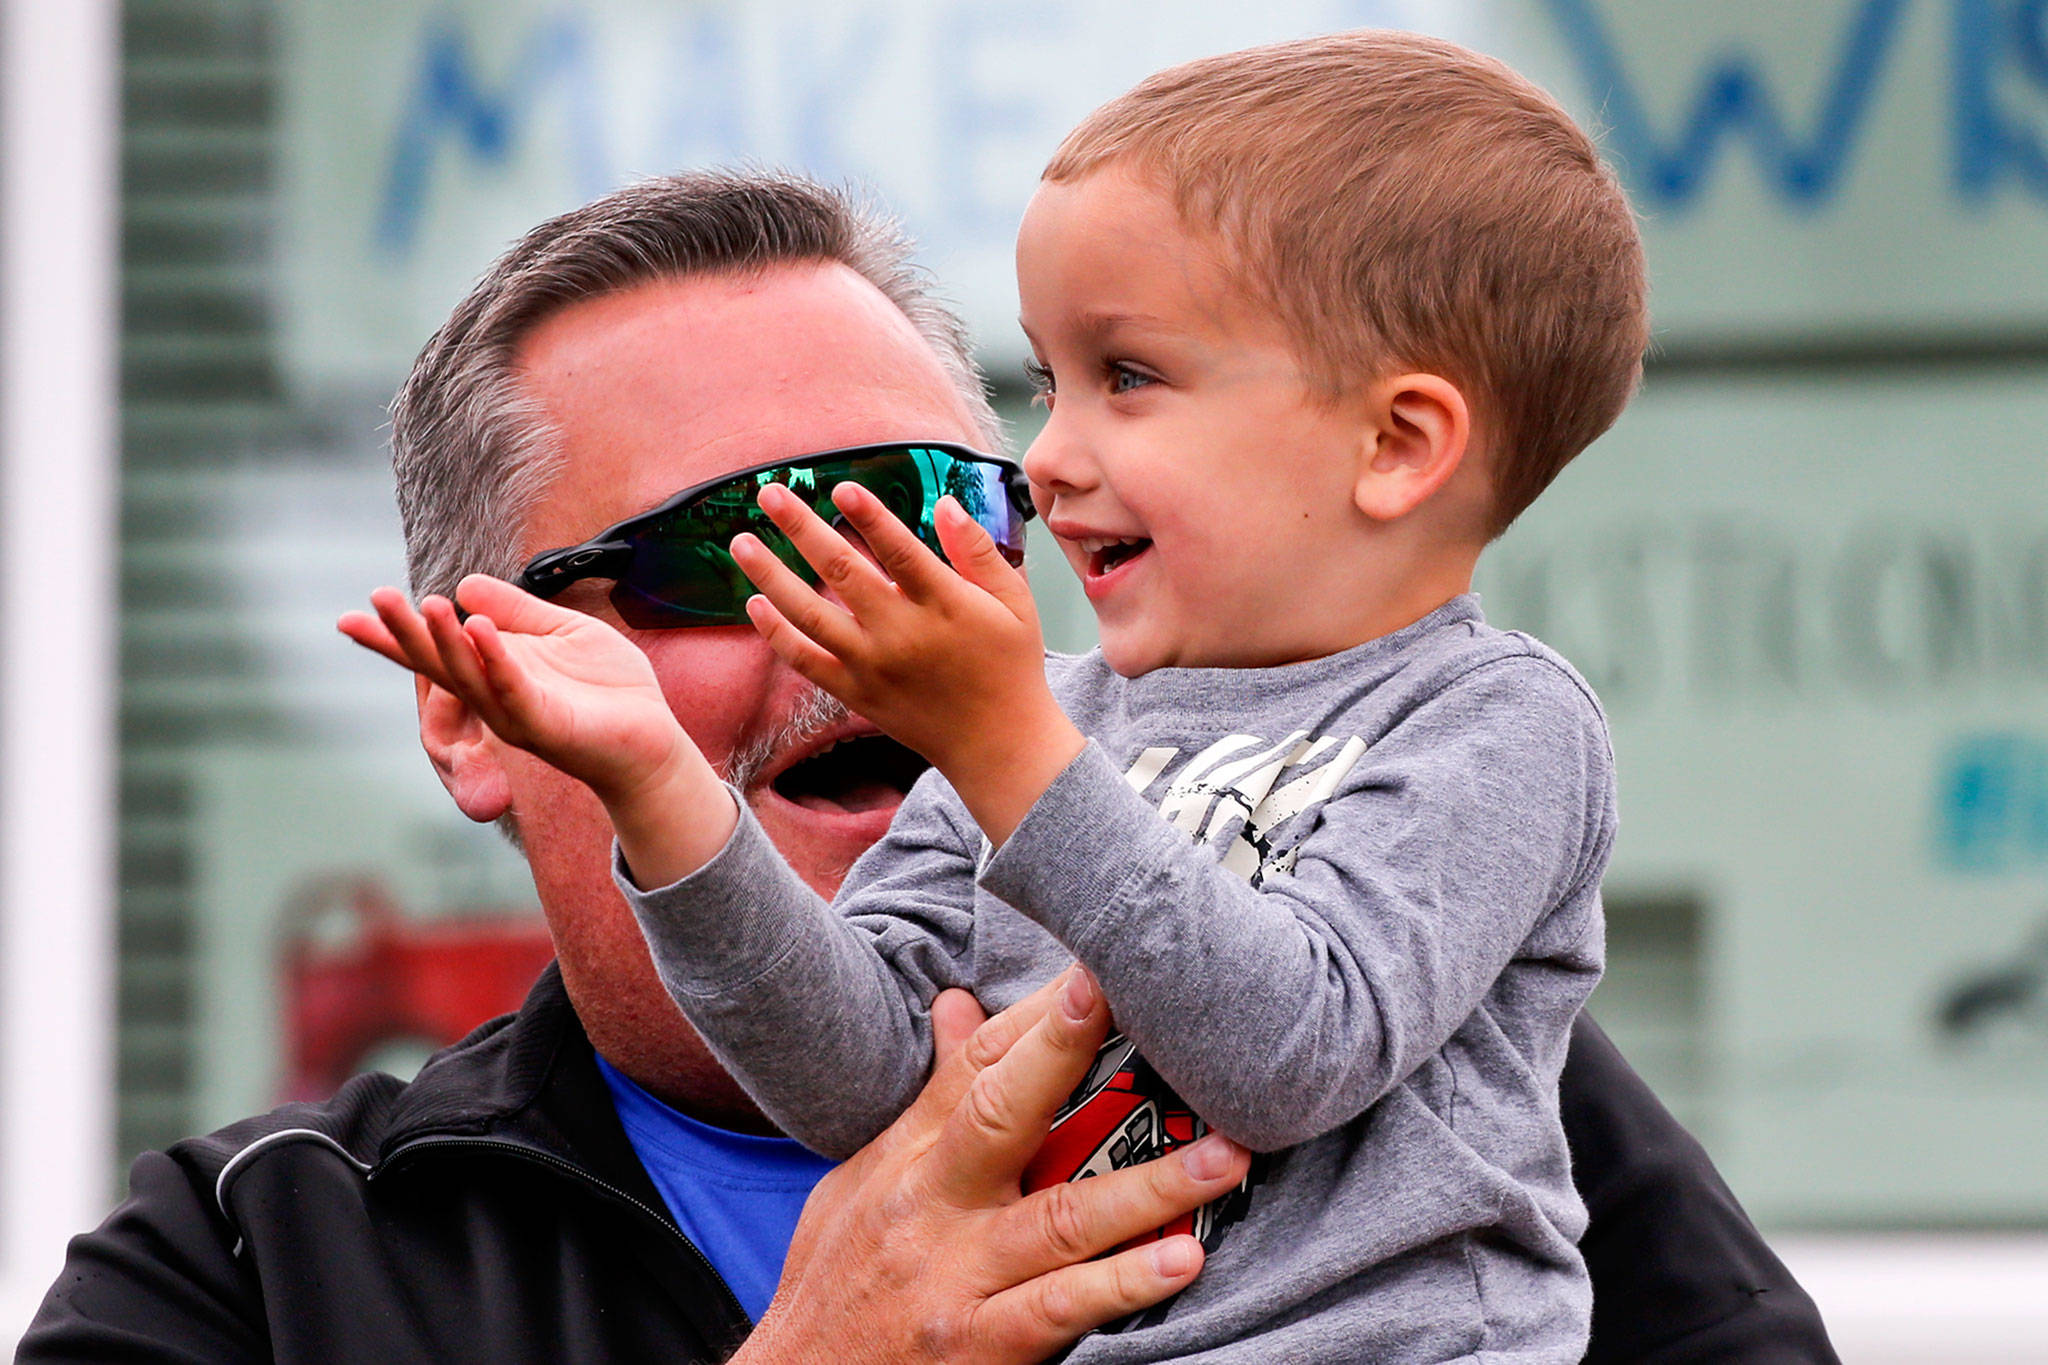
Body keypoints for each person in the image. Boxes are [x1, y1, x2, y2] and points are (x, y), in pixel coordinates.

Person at [23, 170, 1836, 1363]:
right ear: (471, 711)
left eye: (933, 512)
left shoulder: (1414, 1042)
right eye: (719, 557)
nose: (856, 614)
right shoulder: (260, 1265)